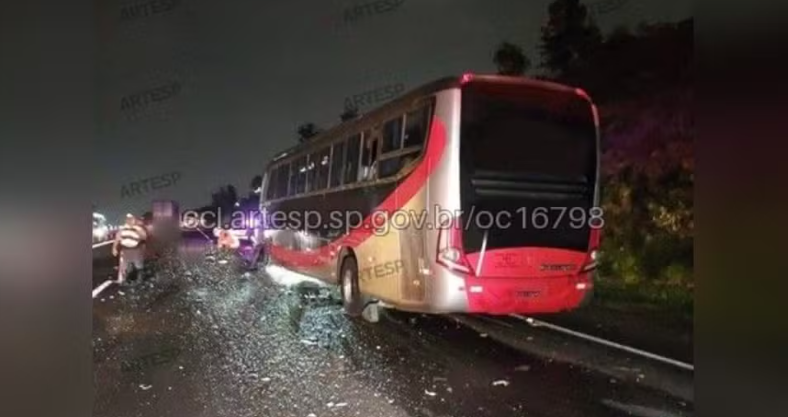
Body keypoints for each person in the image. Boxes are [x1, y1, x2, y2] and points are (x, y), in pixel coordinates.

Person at [112, 213, 148, 284]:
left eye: (131, 219)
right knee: (123, 265)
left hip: (136, 249)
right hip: (125, 250)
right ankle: (123, 280)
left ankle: (139, 279)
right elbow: (117, 239)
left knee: (139, 265)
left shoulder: (139, 229)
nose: (129, 221)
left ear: (134, 221)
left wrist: (143, 248)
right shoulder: (122, 229)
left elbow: (144, 238)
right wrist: (114, 248)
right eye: (128, 219)